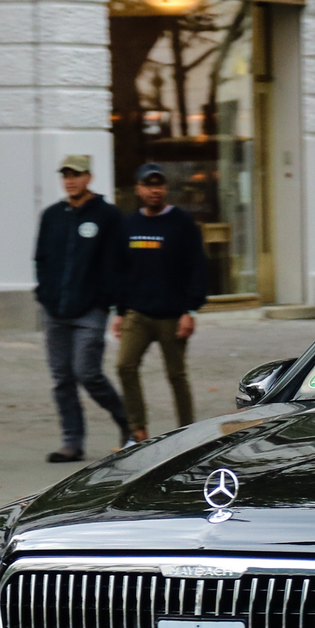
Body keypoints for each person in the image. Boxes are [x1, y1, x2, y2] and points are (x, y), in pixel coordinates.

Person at [33, 154, 130, 462]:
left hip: (91, 310)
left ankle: (128, 421)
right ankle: (71, 441)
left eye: (76, 174)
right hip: (55, 310)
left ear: (89, 177)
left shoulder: (107, 215)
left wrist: (109, 303)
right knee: (62, 378)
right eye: (65, 175)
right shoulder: (52, 215)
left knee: (87, 372)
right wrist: (45, 293)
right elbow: (42, 258)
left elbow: (118, 264)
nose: (70, 180)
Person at [111, 163, 210, 439]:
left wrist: (190, 310)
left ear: (165, 188)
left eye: (159, 185)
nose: (155, 190)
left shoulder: (181, 223)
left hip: (172, 314)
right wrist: (119, 311)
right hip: (137, 314)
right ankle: (137, 430)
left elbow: (197, 267)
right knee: (124, 366)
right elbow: (120, 269)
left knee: (176, 375)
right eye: (149, 185)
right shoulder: (130, 224)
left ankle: (187, 432)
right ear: (139, 189)